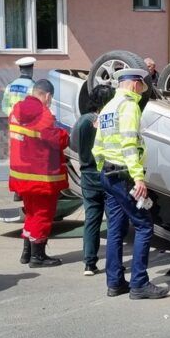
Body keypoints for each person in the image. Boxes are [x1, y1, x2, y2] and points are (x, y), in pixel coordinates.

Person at [92, 68, 169, 300]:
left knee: (116, 229)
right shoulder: (129, 106)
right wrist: (137, 177)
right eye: (141, 87)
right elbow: (128, 144)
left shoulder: (108, 108)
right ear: (135, 84)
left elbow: (98, 146)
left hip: (108, 174)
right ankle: (139, 283)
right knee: (144, 226)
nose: (141, 92)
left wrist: (104, 171)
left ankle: (115, 283)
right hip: (124, 175)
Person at [9, 79, 69, 268]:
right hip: (41, 176)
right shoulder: (43, 114)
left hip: (21, 174)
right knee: (43, 213)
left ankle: (27, 252)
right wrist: (65, 133)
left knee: (31, 213)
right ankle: (38, 256)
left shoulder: (16, 110)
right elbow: (56, 140)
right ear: (48, 96)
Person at [70, 84, 115, 276]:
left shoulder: (81, 121)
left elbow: (72, 144)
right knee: (113, 221)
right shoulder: (107, 120)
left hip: (87, 176)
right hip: (106, 175)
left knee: (91, 220)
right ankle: (114, 263)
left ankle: (89, 263)